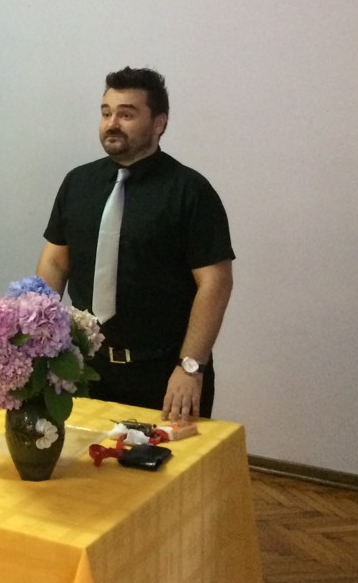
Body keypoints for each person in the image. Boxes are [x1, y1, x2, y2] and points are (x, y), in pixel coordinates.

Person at [35, 67, 234, 422]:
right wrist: (37, 341)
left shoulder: (190, 192)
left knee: (169, 459)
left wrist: (190, 367)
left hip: (164, 374)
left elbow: (215, 283)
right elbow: (55, 263)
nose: (112, 123)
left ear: (159, 123)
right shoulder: (78, 183)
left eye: (126, 114)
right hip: (85, 369)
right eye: (106, 112)